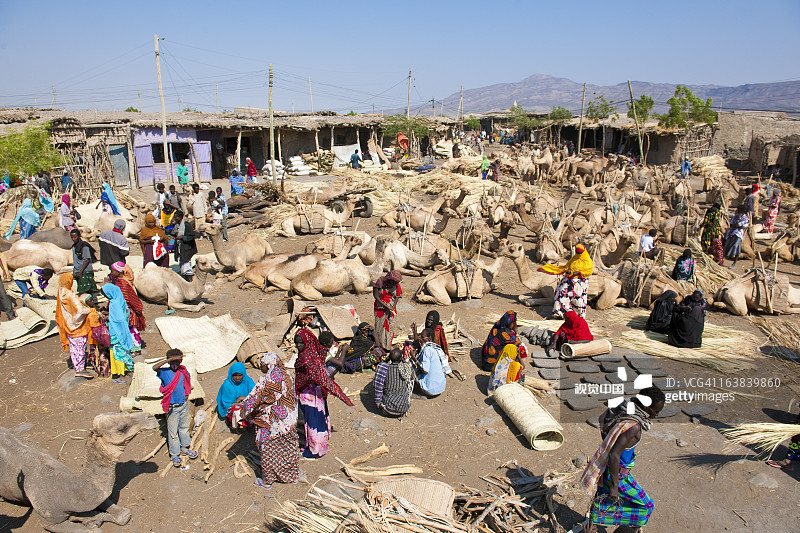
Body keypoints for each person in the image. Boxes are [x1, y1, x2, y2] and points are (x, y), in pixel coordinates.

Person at [581, 387, 665, 533]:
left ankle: (592, 525)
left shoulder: (620, 410)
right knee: (646, 506)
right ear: (646, 406)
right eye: (656, 411)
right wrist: (614, 487)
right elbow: (614, 455)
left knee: (603, 498)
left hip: (608, 469)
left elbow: (603, 421)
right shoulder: (634, 426)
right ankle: (630, 528)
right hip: (619, 475)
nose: (656, 415)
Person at [240, 353, 302, 488]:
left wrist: (243, 409)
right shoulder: (287, 376)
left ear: (268, 365)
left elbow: (255, 399)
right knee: (288, 448)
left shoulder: (268, 382)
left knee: (268, 449)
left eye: (262, 365)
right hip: (288, 421)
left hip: (270, 423)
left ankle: (268, 480)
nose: (260, 367)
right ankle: (291, 476)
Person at [293, 328, 354, 459]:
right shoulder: (312, 353)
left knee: (312, 420)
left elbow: (317, 374)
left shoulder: (307, 357)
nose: (297, 346)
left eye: (300, 343)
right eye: (296, 343)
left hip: (309, 394)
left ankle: (316, 449)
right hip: (313, 391)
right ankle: (319, 443)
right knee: (315, 418)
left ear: (307, 342)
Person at [153, 349, 198, 468]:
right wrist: (169, 360)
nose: (175, 365)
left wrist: (186, 394)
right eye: (172, 362)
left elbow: (187, 383)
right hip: (172, 407)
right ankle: (174, 454)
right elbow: (154, 367)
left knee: (184, 427)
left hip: (182, 405)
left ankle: (185, 447)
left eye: (177, 362)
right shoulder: (164, 371)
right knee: (173, 432)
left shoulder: (183, 371)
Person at [55, 273, 98, 378]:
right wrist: (90, 310)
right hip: (76, 325)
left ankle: (77, 365)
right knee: (80, 346)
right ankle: (80, 369)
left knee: (74, 346)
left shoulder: (61, 292)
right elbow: (79, 310)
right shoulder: (70, 294)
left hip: (67, 323)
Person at [539, 243, 594, 319]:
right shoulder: (574, 258)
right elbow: (568, 266)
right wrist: (568, 270)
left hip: (580, 281)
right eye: (577, 252)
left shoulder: (587, 261)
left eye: (579, 253)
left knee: (578, 296)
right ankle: (560, 313)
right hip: (569, 279)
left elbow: (589, 271)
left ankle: (577, 315)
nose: (578, 254)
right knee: (561, 292)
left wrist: (579, 273)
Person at [101, 282, 135, 376]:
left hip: (116, 331)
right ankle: (127, 369)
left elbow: (118, 319)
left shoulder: (114, 303)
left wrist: (107, 318)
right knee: (124, 350)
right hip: (123, 330)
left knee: (117, 352)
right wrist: (109, 314)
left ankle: (120, 373)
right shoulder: (120, 300)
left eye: (105, 294)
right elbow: (122, 314)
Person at [109, 262, 145, 351]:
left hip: (128, 312)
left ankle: (136, 349)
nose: (111, 273)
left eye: (113, 271)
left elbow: (130, 299)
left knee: (131, 330)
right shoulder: (118, 282)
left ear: (119, 272)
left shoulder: (123, 284)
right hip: (121, 311)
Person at [373, 348, 414, 417]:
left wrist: (387, 359)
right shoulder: (406, 369)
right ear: (401, 358)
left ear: (390, 358)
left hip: (388, 409)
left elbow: (376, 385)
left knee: (380, 383)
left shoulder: (383, 368)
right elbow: (411, 377)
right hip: (403, 409)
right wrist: (403, 360)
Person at [217, 361, 256, 431]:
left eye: (240, 375)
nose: (237, 378)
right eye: (235, 375)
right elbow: (226, 403)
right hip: (233, 406)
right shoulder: (227, 385)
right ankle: (239, 426)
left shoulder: (248, 381)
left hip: (245, 402)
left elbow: (255, 394)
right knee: (237, 411)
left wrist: (242, 398)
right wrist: (240, 404)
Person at [373, 270, 402, 351]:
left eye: (396, 282)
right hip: (380, 309)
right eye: (393, 282)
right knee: (380, 327)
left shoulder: (396, 284)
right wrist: (386, 306)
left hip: (391, 308)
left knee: (390, 326)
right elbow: (376, 296)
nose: (395, 284)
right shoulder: (380, 282)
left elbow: (397, 296)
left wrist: (393, 307)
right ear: (389, 279)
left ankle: (388, 345)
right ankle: (381, 346)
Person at [415, 328, 448, 397]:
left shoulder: (427, 350)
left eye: (422, 337)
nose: (420, 339)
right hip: (440, 388)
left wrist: (414, 358)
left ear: (429, 339)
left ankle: (421, 392)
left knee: (412, 371)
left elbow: (425, 370)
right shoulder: (435, 347)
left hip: (430, 390)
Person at [70, 229, 98, 297]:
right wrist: (74, 271)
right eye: (72, 237)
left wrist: (80, 272)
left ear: (79, 236)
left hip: (85, 271)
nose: (73, 239)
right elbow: (75, 260)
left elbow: (86, 260)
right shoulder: (74, 247)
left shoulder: (84, 247)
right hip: (78, 271)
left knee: (86, 291)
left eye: (75, 237)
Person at [171, 211, 197, 280]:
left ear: (180, 217)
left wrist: (183, 237)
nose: (175, 218)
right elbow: (173, 233)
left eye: (176, 217)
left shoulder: (186, 225)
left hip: (186, 248)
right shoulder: (177, 225)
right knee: (182, 264)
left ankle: (189, 281)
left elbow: (192, 236)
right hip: (180, 247)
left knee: (186, 266)